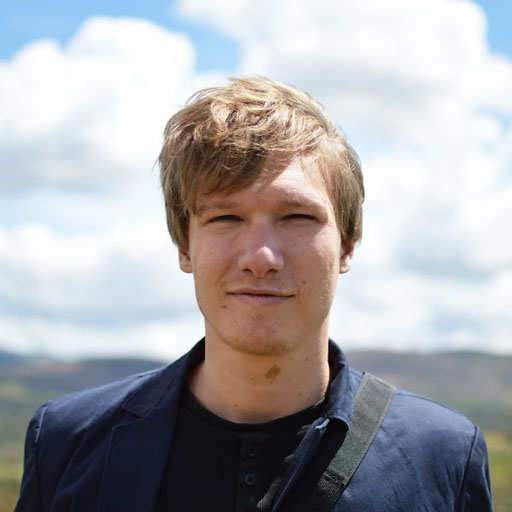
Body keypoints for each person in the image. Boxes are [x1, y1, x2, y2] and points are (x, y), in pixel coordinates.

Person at [15, 77, 492, 511]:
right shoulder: (66, 442)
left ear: (347, 245)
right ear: (185, 246)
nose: (261, 257)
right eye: (226, 218)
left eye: (297, 217)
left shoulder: (444, 455)